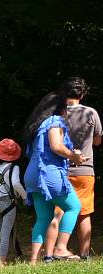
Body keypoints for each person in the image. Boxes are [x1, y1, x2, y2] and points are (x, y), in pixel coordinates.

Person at [22, 92, 86, 264]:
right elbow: (56, 146)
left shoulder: (36, 126)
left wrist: (71, 154)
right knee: (74, 206)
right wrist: (74, 157)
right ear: (60, 108)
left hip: (32, 174)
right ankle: (61, 248)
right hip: (48, 173)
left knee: (43, 217)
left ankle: (34, 261)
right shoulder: (55, 121)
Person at [44, 78, 102, 260]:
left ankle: (50, 254)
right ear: (82, 94)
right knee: (84, 213)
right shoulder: (91, 113)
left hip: (61, 170)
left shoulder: (58, 115)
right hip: (85, 170)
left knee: (58, 212)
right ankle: (84, 254)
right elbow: (98, 141)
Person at [0, 138, 27, 265]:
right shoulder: (14, 168)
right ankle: (2, 261)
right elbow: (16, 183)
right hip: (9, 204)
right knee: (5, 234)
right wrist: (25, 196)